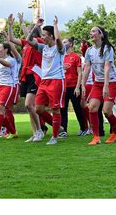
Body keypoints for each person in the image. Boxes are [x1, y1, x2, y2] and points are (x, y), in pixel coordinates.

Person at [7, 14, 44, 142]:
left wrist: (25, 22)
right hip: (25, 75)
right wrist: (10, 25)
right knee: (30, 107)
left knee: (29, 104)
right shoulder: (25, 44)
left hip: (35, 74)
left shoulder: (38, 42)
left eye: (29, 29)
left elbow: (29, 35)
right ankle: (35, 133)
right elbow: (11, 38)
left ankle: (39, 130)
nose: (26, 30)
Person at [81, 26, 116, 145]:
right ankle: (96, 137)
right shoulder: (89, 50)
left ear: (101, 34)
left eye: (93, 31)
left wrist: (106, 85)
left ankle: (115, 132)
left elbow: (107, 67)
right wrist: (82, 85)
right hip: (97, 83)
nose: (90, 33)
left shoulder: (108, 48)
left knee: (107, 111)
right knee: (92, 108)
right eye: (90, 31)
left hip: (111, 82)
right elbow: (87, 68)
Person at [32, 16, 66, 145]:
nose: (43, 37)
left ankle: (55, 137)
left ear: (51, 36)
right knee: (38, 109)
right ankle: (59, 128)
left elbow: (58, 39)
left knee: (55, 109)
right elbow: (29, 40)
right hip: (44, 81)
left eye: (45, 35)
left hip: (57, 80)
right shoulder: (43, 47)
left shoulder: (59, 48)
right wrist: (36, 26)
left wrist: (55, 25)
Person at [61, 37, 86, 137]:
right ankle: (64, 131)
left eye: (65, 42)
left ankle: (83, 128)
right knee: (63, 109)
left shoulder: (75, 57)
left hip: (74, 86)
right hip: (63, 87)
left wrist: (77, 87)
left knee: (78, 108)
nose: (63, 44)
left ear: (70, 44)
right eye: (62, 42)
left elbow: (80, 73)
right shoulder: (60, 56)